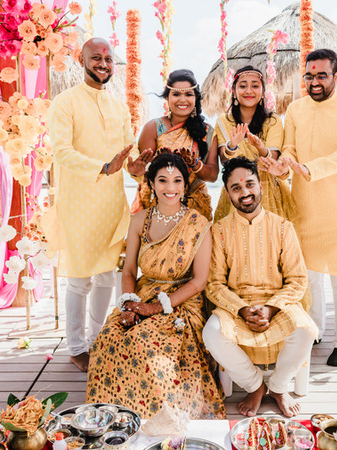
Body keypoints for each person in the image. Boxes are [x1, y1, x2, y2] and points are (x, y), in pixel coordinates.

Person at [86, 153, 226, 420]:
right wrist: (128, 305)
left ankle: (157, 418)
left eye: (177, 181)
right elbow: (128, 270)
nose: (170, 188)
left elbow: (199, 281)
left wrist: (156, 307)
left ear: (185, 185)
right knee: (108, 338)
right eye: (162, 180)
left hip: (181, 301)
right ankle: (115, 418)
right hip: (141, 293)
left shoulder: (198, 224)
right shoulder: (140, 220)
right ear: (151, 183)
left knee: (145, 344)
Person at [259, 49, 337, 367]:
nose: (314, 81)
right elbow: (291, 150)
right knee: (309, 274)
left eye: (322, 75)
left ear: (336, 76)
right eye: (309, 75)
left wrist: (308, 169)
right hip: (304, 205)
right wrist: (281, 168)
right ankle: (315, 330)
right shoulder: (295, 109)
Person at [46, 37, 151, 372]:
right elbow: (61, 151)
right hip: (77, 204)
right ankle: (77, 347)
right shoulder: (65, 102)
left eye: (108, 58)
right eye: (96, 58)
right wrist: (103, 167)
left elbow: (128, 153)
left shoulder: (119, 106)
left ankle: (97, 340)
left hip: (111, 203)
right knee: (79, 279)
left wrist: (136, 167)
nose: (103, 63)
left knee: (106, 276)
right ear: (82, 60)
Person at [203, 157, 317, 418]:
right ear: (228, 194)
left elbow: (298, 279)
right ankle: (254, 385)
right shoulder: (219, 231)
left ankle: (277, 387)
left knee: (306, 330)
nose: (245, 193)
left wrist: (271, 307)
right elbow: (214, 283)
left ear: (261, 186)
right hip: (237, 307)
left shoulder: (282, 228)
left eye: (250, 184)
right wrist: (242, 309)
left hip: (277, 304)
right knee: (211, 333)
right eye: (236, 188)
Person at [132, 69, 219, 220]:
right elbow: (142, 173)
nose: (182, 100)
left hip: (195, 208)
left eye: (188, 94)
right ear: (167, 97)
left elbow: (213, 175)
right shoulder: (153, 128)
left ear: (196, 98)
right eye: (176, 94)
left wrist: (195, 164)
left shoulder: (208, 132)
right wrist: (158, 162)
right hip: (156, 206)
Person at [213, 65, 295, 223]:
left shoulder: (273, 121)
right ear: (234, 92)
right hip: (236, 190)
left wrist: (260, 148)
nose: (248, 91)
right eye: (242, 86)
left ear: (263, 92)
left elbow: (273, 160)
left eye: (255, 85)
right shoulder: (224, 121)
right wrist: (232, 145)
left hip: (269, 191)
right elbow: (224, 160)